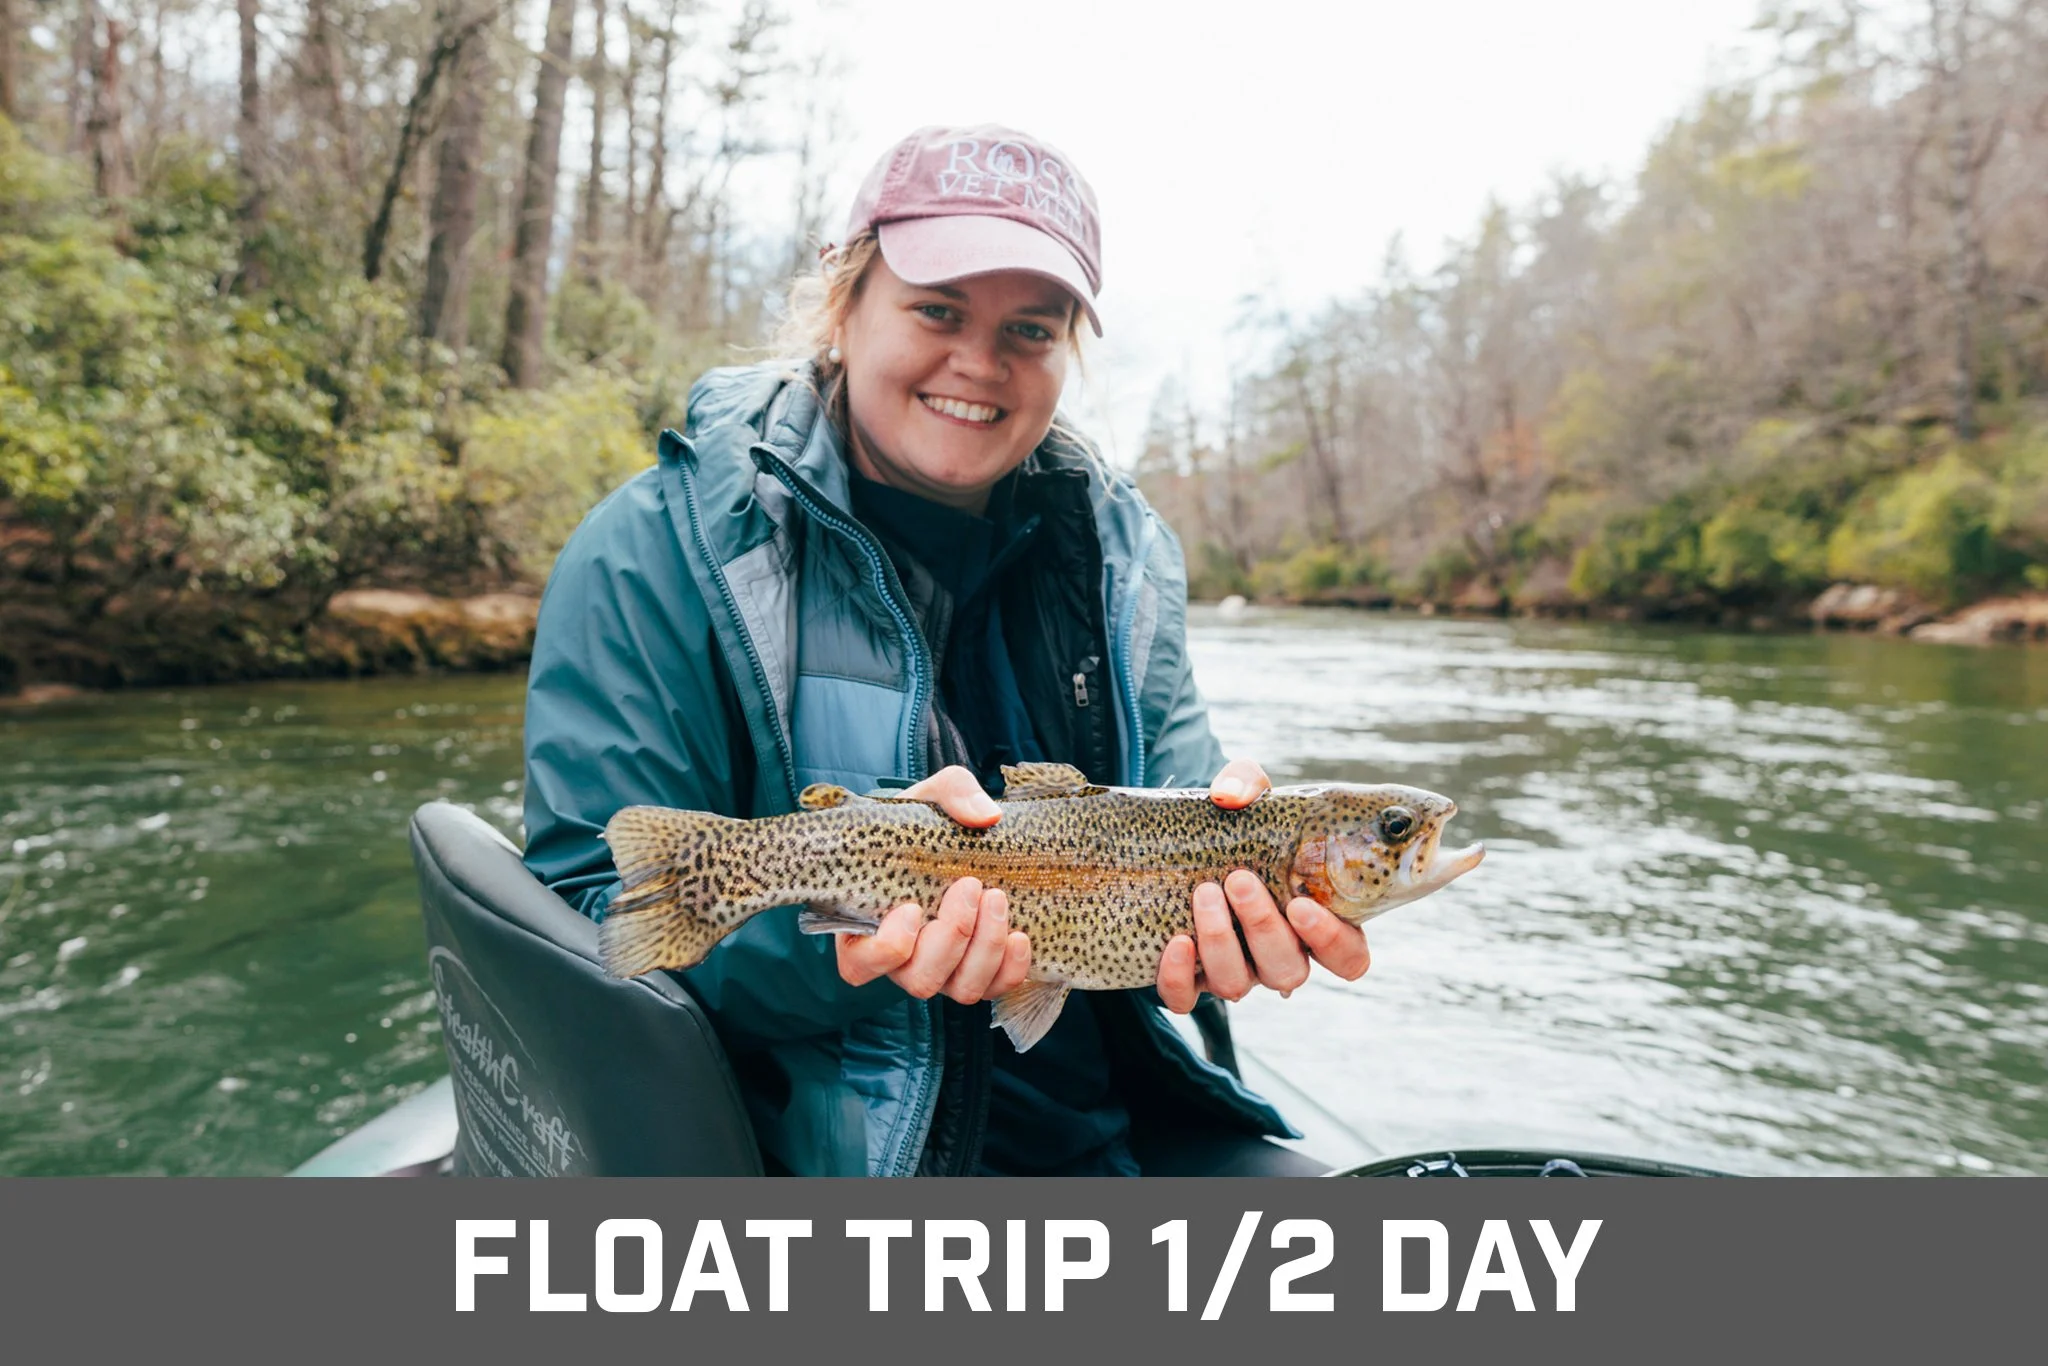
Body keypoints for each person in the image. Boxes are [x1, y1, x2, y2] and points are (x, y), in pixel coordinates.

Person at [520, 124, 1371, 1177]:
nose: (979, 362)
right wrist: (842, 948)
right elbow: (583, 941)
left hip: (1100, 1146)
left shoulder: (1123, 561)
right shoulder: (649, 553)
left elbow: (1166, 895)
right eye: (936, 310)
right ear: (843, 304)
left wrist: (1228, 939)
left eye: (1029, 327)